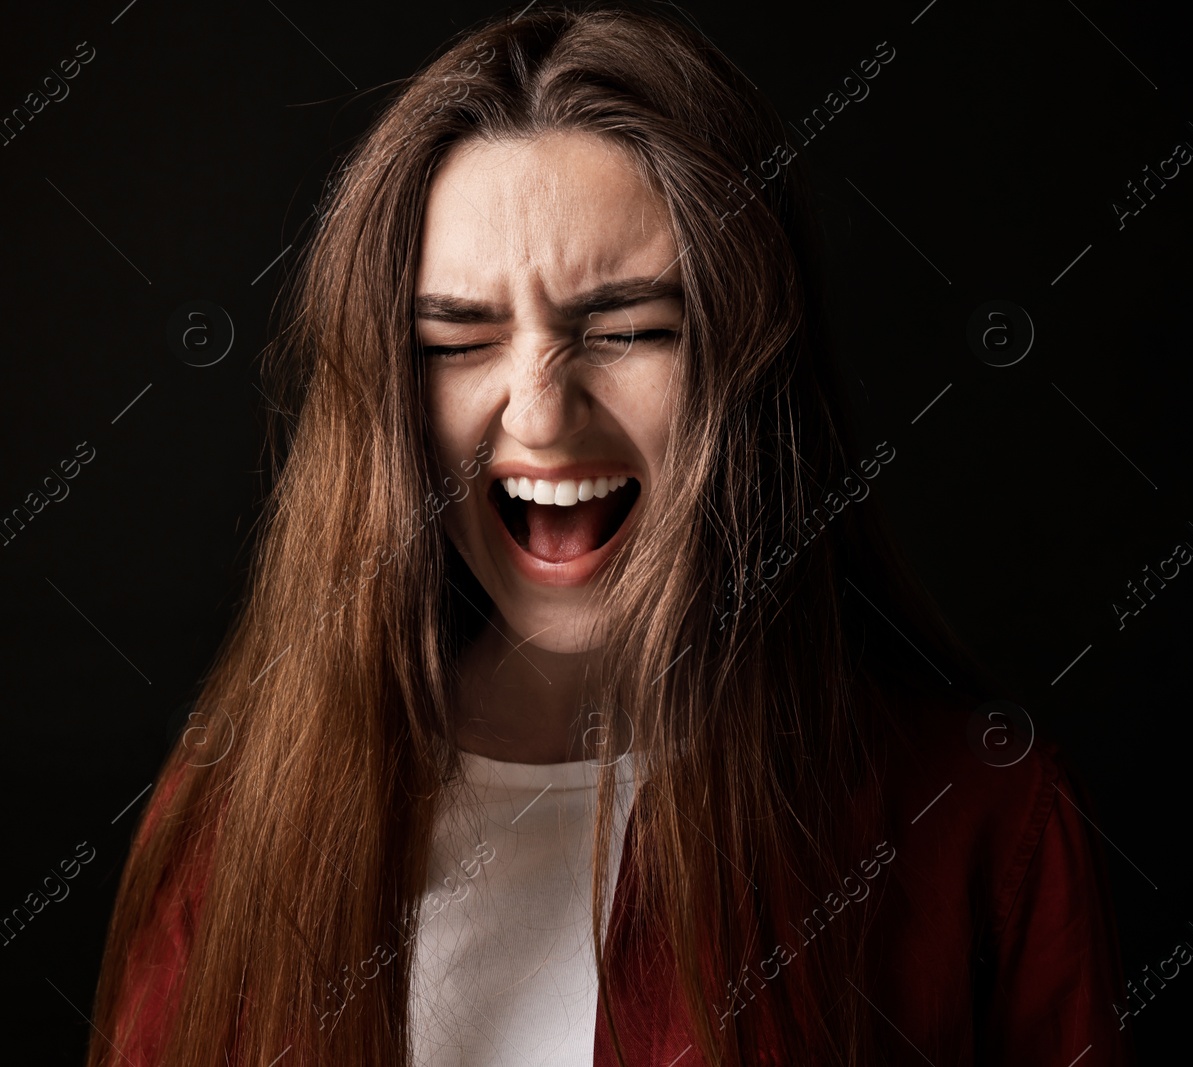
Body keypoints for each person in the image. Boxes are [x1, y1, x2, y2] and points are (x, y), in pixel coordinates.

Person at [86, 6, 1131, 1065]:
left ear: (748, 364)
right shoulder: (240, 812)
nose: (540, 413)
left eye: (628, 329)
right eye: (457, 338)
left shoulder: (975, 816)